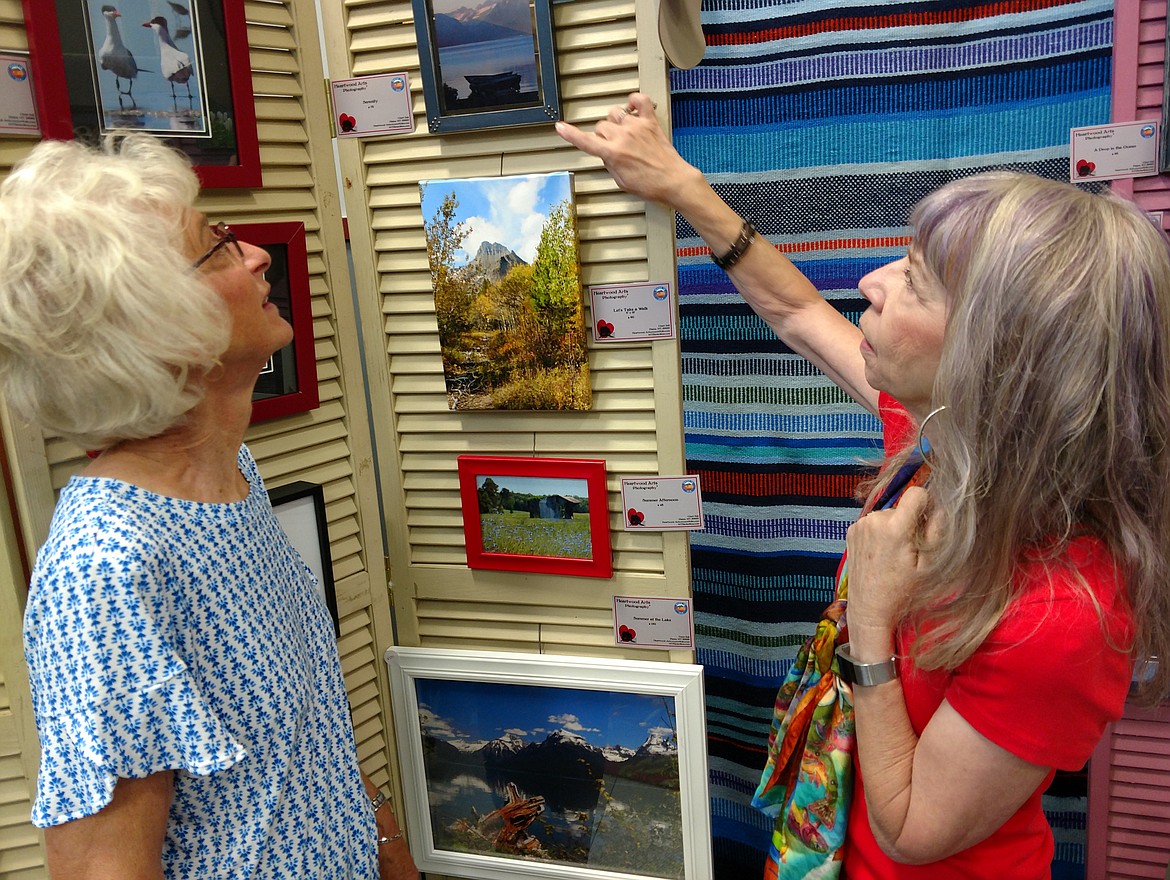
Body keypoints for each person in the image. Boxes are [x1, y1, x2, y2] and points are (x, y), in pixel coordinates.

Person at [557, 94, 1170, 878]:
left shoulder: (1064, 611)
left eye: (914, 281)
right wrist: (679, 184)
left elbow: (913, 827)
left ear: (997, 359)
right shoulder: (945, 445)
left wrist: (873, 624)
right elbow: (797, 309)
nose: (873, 283)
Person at [0, 135, 418, 880]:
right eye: (217, 247)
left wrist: (384, 840)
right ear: (154, 327)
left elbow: (297, 738)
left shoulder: (235, 478)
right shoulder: (107, 566)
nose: (255, 253)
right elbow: (106, 869)